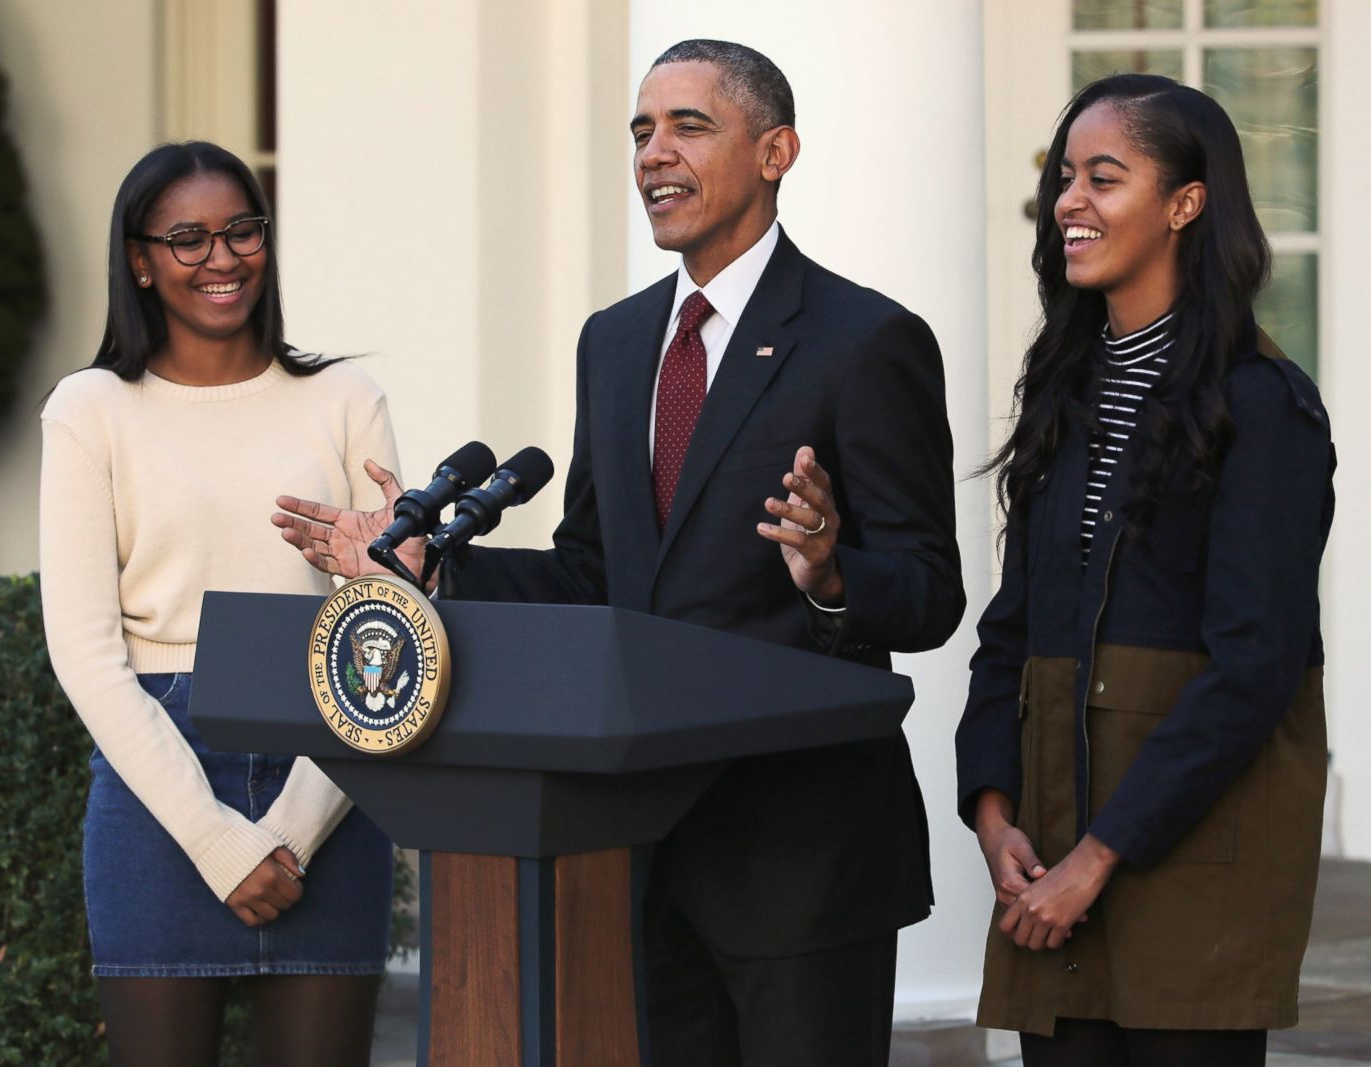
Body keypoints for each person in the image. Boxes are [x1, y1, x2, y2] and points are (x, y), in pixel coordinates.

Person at [274, 39, 963, 1067]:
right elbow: (591, 573)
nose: (652, 153)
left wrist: (829, 573)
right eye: (640, 130)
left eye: (689, 125)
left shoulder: (864, 340)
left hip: (800, 857)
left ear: (775, 151)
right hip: (637, 844)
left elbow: (928, 590)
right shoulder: (617, 339)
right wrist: (430, 568)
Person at [954, 74, 1336, 1066]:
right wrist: (994, 814)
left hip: (1191, 865)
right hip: (1052, 852)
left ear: (1184, 202)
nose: (1069, 201)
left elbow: (1254, 665)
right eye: (1066, 177)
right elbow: (1014, 624)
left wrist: (1097, 858)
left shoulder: (1264, 408)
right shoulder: (1065, 392)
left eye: (1103, 177)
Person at [39, 142, 400, 1067]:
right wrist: (213, 836)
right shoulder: (90, 410)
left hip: (331, 761)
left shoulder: (346, 398)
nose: (222, 257)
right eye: (188, 238)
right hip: (158, 780)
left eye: (242, 230)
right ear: (139, 258)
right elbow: (85, 651)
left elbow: (386, 635)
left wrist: (290, 831)